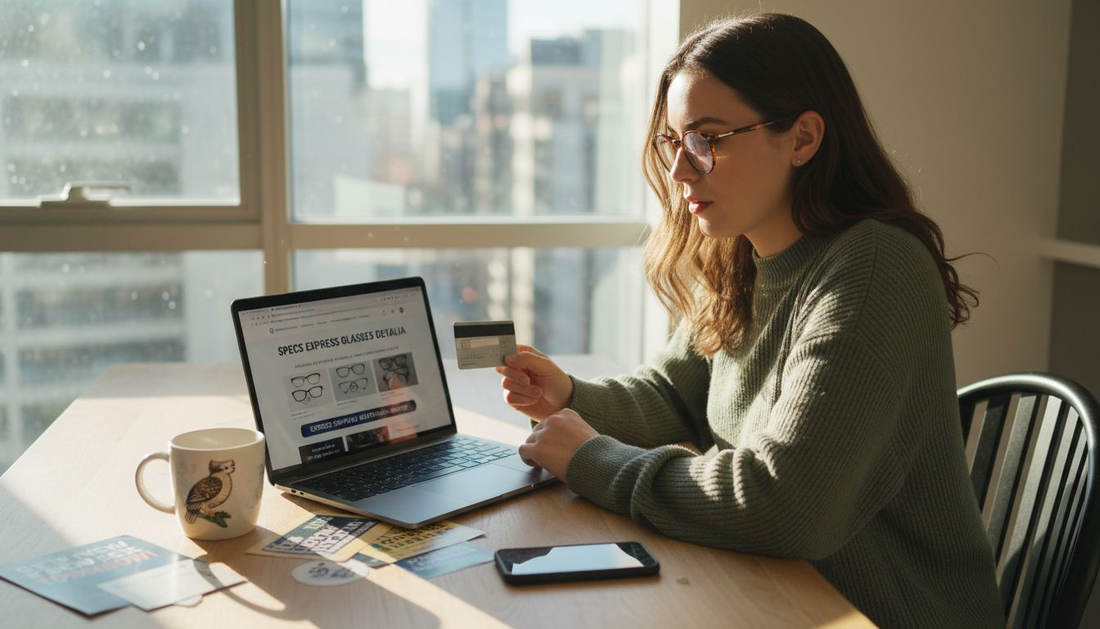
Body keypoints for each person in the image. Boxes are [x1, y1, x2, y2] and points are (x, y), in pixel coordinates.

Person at [496, 12, 1003, 629]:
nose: (681, 170)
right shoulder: (746, 253)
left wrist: (593, 460)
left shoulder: (872, 269)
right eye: (674, 142)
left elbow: (787, 505)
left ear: (803, 138)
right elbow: (674, 395)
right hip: (770, 587)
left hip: (880, 613)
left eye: (708, 139)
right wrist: (570, 395)